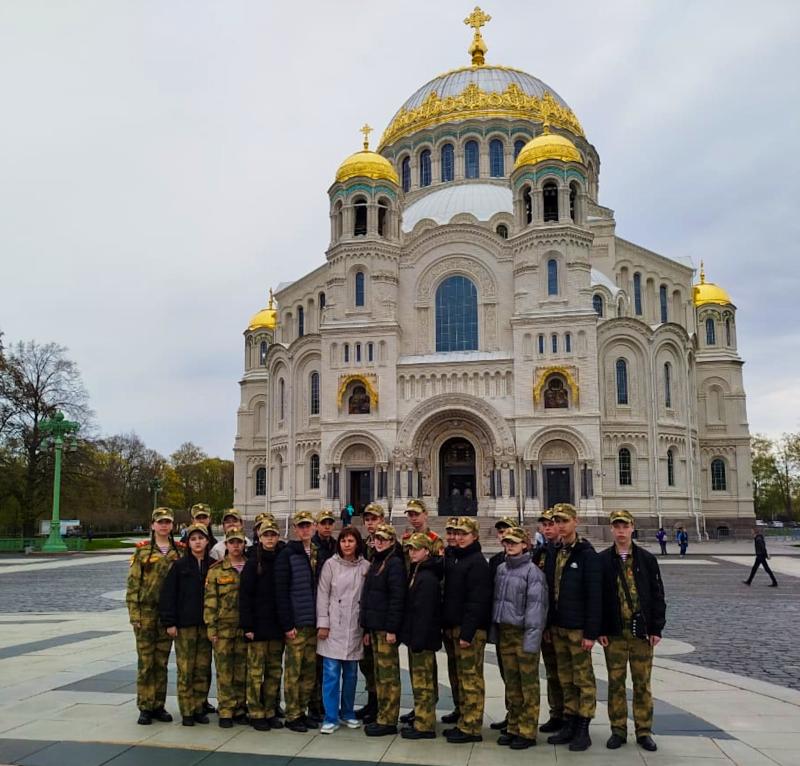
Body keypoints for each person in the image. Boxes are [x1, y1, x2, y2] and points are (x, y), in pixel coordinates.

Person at [599, 510, 666, 753]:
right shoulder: (603, 560)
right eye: (616, 526)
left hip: (641, 634)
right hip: (615, 633)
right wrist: (600, 628)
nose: (620, 531)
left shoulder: (647, 559)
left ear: (632, 528)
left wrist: (656, 627)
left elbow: (657, 595)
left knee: (642, 683)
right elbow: (600, 598)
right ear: (611, 529)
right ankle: (618, 729)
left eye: (624, 526)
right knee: (615, 683)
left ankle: (644, 730)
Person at [545, 503, 601, 751]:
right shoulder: (554, 551)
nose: (560, 525)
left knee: (583, 679)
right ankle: (569, 721)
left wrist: (591, 632)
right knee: (565, 677)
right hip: (559, 627)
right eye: (557, 521)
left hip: (578, 629)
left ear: (575, 522)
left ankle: (583, 726)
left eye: (564, 521)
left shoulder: (586, 554)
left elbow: (594, 595)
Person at [491, 527, 549, 749]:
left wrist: (531, 642)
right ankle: (513, 725)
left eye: (514, 542)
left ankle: (527, 731)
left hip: (523, 634)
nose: (510, 545)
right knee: (512, 684)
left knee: (528, 685)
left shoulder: (533, 573)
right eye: (506, 542)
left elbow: (536, 611)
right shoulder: (501, 569)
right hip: (505, 634)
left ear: (525, 544)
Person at [126, 507, 182, 725]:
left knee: (161, 661)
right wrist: (134, 614)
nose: (164, 525)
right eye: (160, 522)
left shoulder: (179, 552)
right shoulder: (142, 552)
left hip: (167, 615)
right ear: (153, 525)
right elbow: (133, 585)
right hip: (146, 612)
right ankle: (145, 706)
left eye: (168, 522)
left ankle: (159, 704)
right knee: (146, 662)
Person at [316, 526, 371, 734]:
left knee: (351, 674)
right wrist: (323, 623)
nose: (347, 545)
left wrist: (366, 627)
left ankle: (347, 712)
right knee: (331, 672)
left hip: (354, 625)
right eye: (343, 541)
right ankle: (331, 716)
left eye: (351, 541)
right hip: (333, 626)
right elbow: (323, 594)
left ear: (357, 543)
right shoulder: (331, 565)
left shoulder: (365, 566)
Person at [442, 516, 492, 744]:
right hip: (454, 626)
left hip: (468, 630)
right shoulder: (456, 558)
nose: (459, 538)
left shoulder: (477, 562)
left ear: (474, 536)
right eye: (458, 534)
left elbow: (477, 602)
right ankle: (462, 713)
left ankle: (471, 725)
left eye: (464, 534)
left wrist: (467, 633)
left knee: (470, 677)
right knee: (458, 675)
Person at [159, 522, 213, 726]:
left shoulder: (214, 564)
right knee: (186, 669)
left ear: (207, 541)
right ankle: (187, 710)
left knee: (202, 668)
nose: (198, 542)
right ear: (188, 543)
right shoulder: (180, 566)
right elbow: (168, 595)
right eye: (193, 539)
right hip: (185, 625)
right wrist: (170, 622)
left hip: (205, 625)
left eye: (201, 538)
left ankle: (199, 707)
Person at [275, 510, 320, 732]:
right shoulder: (288, 554)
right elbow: (281, 591)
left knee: (309, 672)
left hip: (313, 622)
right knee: (293, 672)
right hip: (296, 624)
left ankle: (302, 710)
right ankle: (292, 714)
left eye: (307, 525)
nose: (304, 529)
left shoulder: (318, 552)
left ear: (313, 527)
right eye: (300, 526)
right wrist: (287, 624)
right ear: (295, 529)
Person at [360, 522, 406, 737]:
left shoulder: (394, 563)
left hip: (385, 629)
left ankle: (388, 720)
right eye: (376, 539)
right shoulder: (376, 561)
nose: (378, 542)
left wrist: (392, 629)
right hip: (374, 627)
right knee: (379, 674)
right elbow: (368, 596)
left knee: (388, 675)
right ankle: (382, 714)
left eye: (383, 539)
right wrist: (367, 628)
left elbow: (397, 599)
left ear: (391, 541)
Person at [240, 518, 285, 731]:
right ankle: (256, 711)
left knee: (274, 671)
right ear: (259, 537)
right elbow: (245, 597)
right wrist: (247, 626)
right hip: (258, 626)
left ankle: (270, 710)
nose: (269, 539)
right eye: (266, 535)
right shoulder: (252, 562)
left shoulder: (282, 559)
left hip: (276, 626)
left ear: (278, 537)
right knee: (256, 672)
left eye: (273, 535)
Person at [399, 532, 443, 740]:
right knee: (421, 680)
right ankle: (422, 718)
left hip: (422, 640)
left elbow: (423, 613)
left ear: (426, 551)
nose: (412, 552)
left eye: (416, 549)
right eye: (410, 549)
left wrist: (417, 640)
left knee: (422, 682)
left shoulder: (427, 577)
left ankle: (424, 724)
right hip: (418, 637)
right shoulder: (419, 571)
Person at [204, 527, 248, 727]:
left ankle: (239, 708)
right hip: (223, 629)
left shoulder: (250, 566)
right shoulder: (216, 570)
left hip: (243, 628)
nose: (236, 546)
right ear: (226, 545)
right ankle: (226, 710)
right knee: (224, 671)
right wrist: (211, 628)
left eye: (239, 542)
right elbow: (210, 601)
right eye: (232, 542)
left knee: (241, 670)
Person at [531, 509, 565, 734]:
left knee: (571, 675)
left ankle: (575, 721)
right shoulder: (540, 553)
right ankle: (557, 714)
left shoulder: (579, 552)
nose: (548, 528)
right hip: (546, 624)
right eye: (544, 524)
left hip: (568, 625)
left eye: (553, 523)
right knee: (553, 672)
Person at [354, 502, 386, 724]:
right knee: (367, 663)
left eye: (374, 519)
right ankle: (373, 702)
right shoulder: (364, 545)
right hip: (365, 612)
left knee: (383, 665)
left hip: (381, 616)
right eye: (368, 520)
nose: (371, 523)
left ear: (382, 520)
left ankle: (384, 708)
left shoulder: (389, 545)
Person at [486, 516, 516, 733]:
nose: (504, 535)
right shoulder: (496, 561)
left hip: (521, 630)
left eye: (508, 530)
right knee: (507, 673)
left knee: (522, 677)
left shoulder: (530, 561)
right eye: (501, 531)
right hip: (501, 627)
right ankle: (512, 714)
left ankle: (522, 721)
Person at [440, 516, 462, 726]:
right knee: (455, 670)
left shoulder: (471, 560)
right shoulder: (444, 556)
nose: (454, 537)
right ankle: (459, 708)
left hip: (464, 627)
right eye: (451, 532)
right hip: (448, 622)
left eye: (458, 533)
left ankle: (469, 717)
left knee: (467, 674)